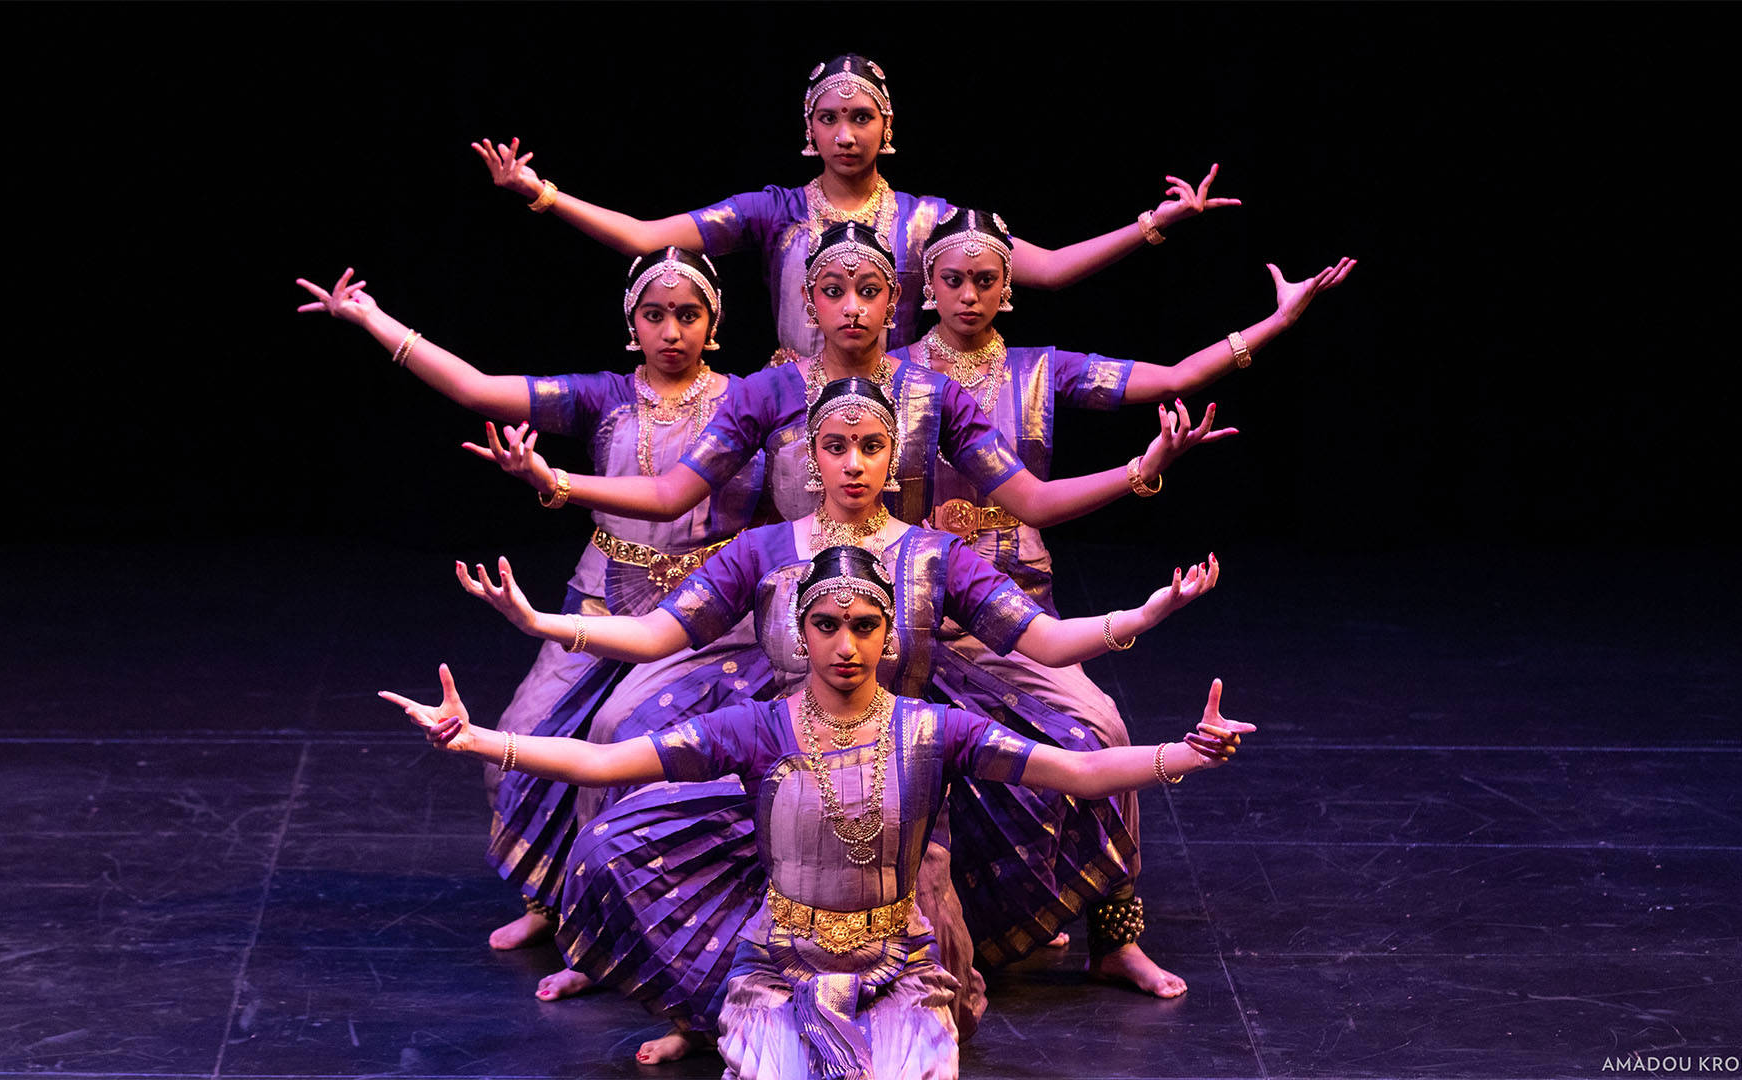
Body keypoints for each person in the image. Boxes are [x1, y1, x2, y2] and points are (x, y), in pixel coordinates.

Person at [456, 376, 1220, 1054]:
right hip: (787, 764)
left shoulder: (934, 556)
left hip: (903, 784)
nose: (853, 464)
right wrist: (543, 625)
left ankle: (1091, 941)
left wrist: (1147, 614)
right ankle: (705, 1011)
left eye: (870, 446)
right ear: (808, 456)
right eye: (836, 446)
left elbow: (1047, 641)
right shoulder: (762, 551)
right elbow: (657, 635)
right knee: (622, 832)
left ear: (895, 457)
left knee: (935, 1000)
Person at [383, 544, 1254, 1080]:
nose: (846, 644)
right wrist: (481, 742)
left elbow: (1077, 770)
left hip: (900, 972)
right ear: (801, 633)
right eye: (828, 625)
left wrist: (1184, 752)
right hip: (781, 972)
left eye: (865, 625)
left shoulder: (932, 729)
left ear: (891, 636)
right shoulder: (756, 731)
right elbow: (605, 761)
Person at [887, 207, 1357, 994]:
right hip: (912, 611)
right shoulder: (893, 374)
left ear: (1007, 290)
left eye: (985, 279)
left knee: (1101, 726)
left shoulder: (1040, 370)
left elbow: (1172, 380)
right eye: (953, 279)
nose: (968, 294)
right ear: (926, 287)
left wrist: (1274, 324)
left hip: (1016, 610)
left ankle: (1114, 934)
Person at [296, 250, 766, 955]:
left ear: (714, 323)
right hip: (602, 597)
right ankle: (548, 900)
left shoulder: (747, 403)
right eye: (656, 315)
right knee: (518, 735)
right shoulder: (605, 397)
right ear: (632, 324)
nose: (673, 330)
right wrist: (370, 317)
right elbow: (480, 391)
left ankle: (613, 922)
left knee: (621, 745)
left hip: (702, 617)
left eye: (689, 315)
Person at [472, 220, 1229, 530]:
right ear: (807, 301)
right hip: (795, 601)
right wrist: (558, 482)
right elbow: (673, 494)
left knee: (1086, 726)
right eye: (833, 292)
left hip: (914, 592)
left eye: (870, 291)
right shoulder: (765, 392)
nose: (853, 309)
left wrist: (1142, 468)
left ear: (896, 300)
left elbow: (1027, 498)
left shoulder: (934, 392)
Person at [471, 53, 1239, 355]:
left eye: (861, 117)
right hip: (790, 408)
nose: (846, 133)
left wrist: (1153, 226)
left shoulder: (927, 221)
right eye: (830, 119)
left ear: (887, 128)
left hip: (897, 409)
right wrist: (540, 193)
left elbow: (1048, 271)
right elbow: (643, 234)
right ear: (808, 132)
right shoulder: (772, 212)